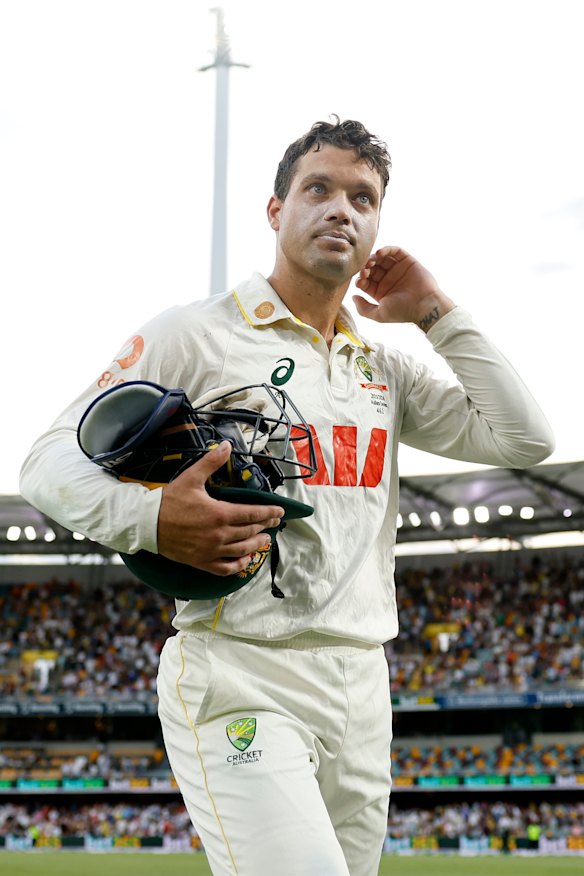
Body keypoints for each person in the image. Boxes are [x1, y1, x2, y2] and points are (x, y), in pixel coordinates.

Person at [19, 117, 554, 875]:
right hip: (240, 671)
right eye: (320, 189)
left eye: (363, 198)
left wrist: (436, 310)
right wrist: (151, 518)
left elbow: (524, 439)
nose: (343, 208)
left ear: (377, 229)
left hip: (364, 684)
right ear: (277, 211)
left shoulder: (383, 370)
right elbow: (46, 462)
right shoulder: (198, 334)